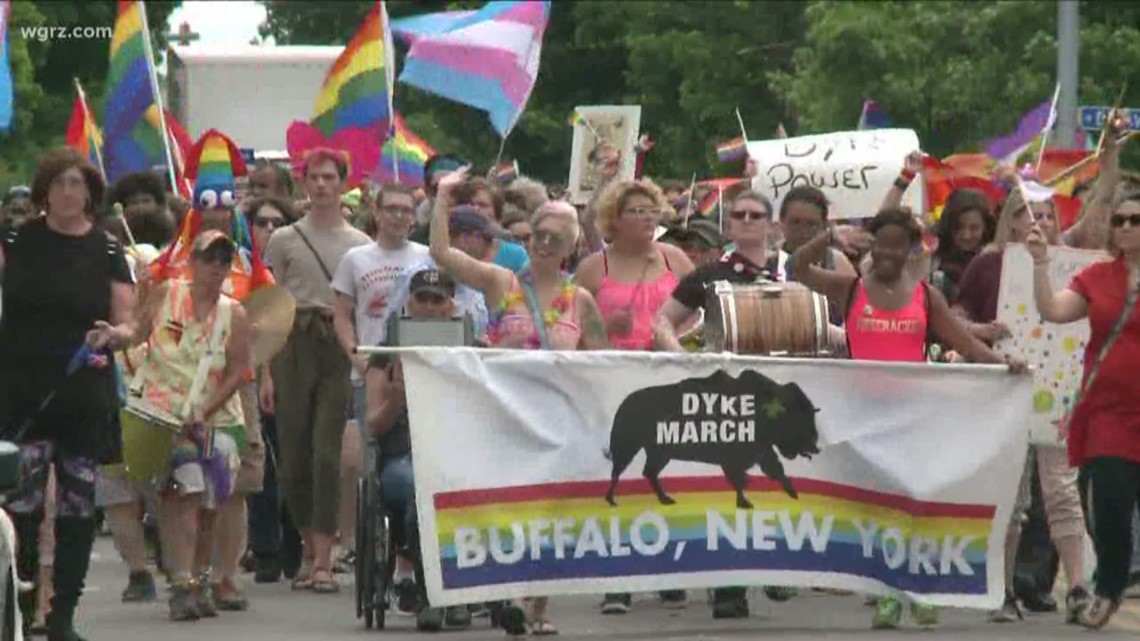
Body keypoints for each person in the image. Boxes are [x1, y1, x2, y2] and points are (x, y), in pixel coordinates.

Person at [791, 206, 1026, 630]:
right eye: (880, 243)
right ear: (870, 246)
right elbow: (797, 268)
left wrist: (1002, 364)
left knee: (918, 502)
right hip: (864, 417)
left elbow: (964, 340)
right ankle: (886, 594)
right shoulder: (851, 290)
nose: (886, 253)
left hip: (917, 417)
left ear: (911, 251)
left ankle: (922, 592)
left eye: (897, 246)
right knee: (880, 507)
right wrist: (827, 237)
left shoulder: (925, 297)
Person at [430, 166, 609, 635]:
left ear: (571, 247)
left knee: (551, 514)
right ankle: (510, 594)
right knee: (511, 508)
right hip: (505, 416)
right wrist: (445, 200)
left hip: (556, 421)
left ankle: (539, 605)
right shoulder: (502, 283)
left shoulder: (580, 301)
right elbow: (441, 253)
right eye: (538, 235)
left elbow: (602, 363)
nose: (544, 244)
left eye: (555, 238)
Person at [0, 147, 133, 641]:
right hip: (23, 393)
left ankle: (63, 617)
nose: (67, 192)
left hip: (82, 391)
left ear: (90, 193)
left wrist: (116, 335)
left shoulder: (106, 249)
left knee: (77, 508)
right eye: (59, 183)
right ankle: (23, 606)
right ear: (44, 190)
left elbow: (129, 318)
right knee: (22, 508)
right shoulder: (16, 240)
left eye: (77, 184)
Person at [146, 129, 273, 612]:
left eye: (224, 201)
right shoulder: (171, 263)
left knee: (233, 486)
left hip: (235, 388)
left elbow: (268, 322)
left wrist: (267, 378)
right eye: (208, 200)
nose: (218, 209)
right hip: (176, 390)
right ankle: (185, 579)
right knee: (183, 484)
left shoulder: (247, 261)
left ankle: (223, 576)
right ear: (195, 202)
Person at [955, 188, 1091, 623]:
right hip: (1007, 386)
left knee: (1062, 492)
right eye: (1029, 214)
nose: (1038, 222)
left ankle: (1080, 588)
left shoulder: (1073, 265)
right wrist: (980, 331)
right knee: (1011, 495)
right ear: (1011, 220)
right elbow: (954, 317)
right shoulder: (988, 264)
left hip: (1058, 391)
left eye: (1047, 214)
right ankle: (1004, 588)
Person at [116, 230, 252, 621]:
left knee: (210, 504)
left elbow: (240, 371)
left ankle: (201, 578)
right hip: (168, 415)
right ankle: (181, 582)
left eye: (224, 260)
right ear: (194, 260)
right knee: (182, 492)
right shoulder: (167, 294)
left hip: (218, 421)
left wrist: (206, 409)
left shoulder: (235, 313)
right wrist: (114, 335)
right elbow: (136, 332)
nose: (216, 267)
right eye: (209, 258)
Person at [574, 179, 693, 613]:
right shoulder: (593, 269)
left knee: (665, 474)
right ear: (614, 221)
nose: (646, 219)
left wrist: (678, 344)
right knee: (619, 476)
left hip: (668, 379)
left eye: (651, 210)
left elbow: (701, 314)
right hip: (613, 382)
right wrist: (606, 333)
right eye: (636, 212)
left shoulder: (675, 259)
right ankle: (617, 580)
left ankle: (667, 569)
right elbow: (571, 326)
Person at [1027, 188, 1140, 629]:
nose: (1127, 227)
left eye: (1136, 220)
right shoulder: (1097, 277)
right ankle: (1109, 589)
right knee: (1108, 505)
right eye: (1120, 220)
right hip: (1108, 413)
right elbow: (1053, 311)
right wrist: (1039, 263)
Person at [265, 148, 371, 593]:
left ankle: (326, 556)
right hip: (292, 340)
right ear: (303, 182)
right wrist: (266, 373)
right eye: (315, 177)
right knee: (292, 452)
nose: (322, 185)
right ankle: (309, 547)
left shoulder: (360, 243)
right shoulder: (284, 239)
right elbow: (268, 309)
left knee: (327, 448)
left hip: (337, 340)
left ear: (343, 182)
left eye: (330, 177)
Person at [364, 268, 474, 631]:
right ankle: (433, 595)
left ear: (450, 304)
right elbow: (373, 425)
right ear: (409, 302)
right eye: (421, 298)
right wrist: (396, 400)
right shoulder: (385, 353)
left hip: (458, 454)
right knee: (419, 492)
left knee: (449, 486)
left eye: (436, 299)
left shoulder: (473, 350)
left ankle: (456, 594)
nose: (428, 305)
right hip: (402, 457)